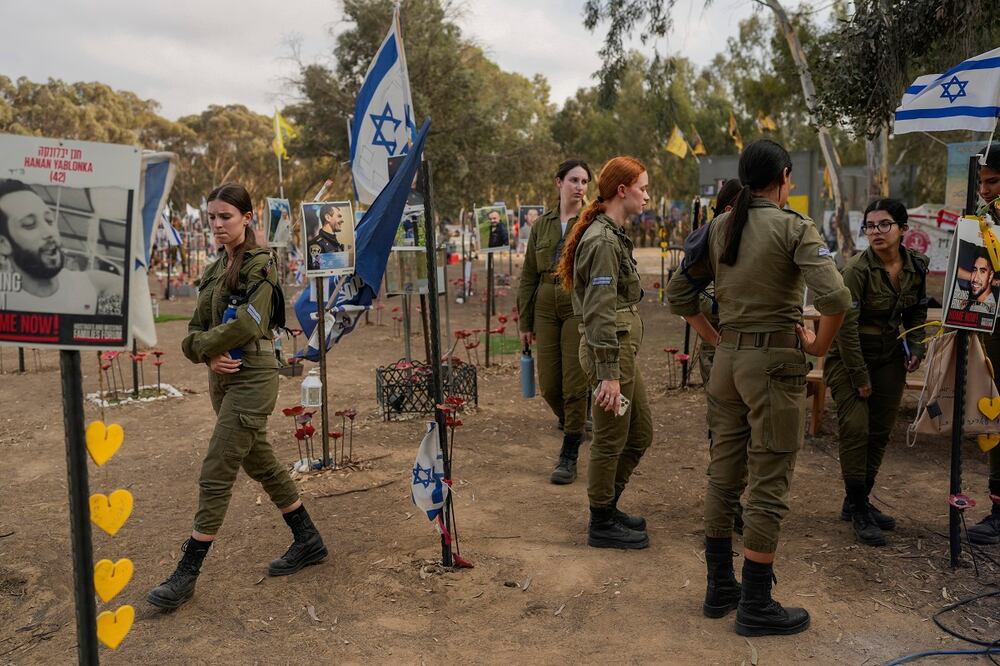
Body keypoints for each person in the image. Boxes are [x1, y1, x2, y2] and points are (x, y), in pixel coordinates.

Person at [667, 139, 850, 636]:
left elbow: (677, 292)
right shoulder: (795, 228)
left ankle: (719, 587)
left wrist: (716, 335)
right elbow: (836, 296)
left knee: (723, 475)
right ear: (785, 176)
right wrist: (815, 346)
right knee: (769, 482)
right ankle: (755, 604)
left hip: (726, 364)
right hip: (773, 367)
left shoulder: (721, 225)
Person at [148, 183, 327, 610]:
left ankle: (187, 572)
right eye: (211, 217)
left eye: (225, 216)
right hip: (221, 378)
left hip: (253, 374)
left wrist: (206, 345)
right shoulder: (213, 270)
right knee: (258, 459)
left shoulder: (261, 265)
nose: (216, 224)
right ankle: (308, 539)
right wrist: (206, 353)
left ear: (248, 217)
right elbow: (191, 332)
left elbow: (249, 324)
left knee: (217, 468)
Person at [554, 155, 652, 550]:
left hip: (620, 353)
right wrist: (608, 373)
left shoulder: (611, 233)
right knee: (612, 439)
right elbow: (597, 312)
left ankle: (608, 505)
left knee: (640, 432)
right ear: (622, 191)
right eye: (643, 188)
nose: (647, 196)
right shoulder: (602, 241)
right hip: (609, 356)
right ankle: (600, 521)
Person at [824, 199, 928, 547]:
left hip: (889, 357)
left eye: (884, 225)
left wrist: (916, 349)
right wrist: (859, 378)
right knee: (856, 427)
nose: (876, 232)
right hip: (850, 357)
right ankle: (858, 509)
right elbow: (845, 328)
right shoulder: (856, 270)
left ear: (902, 228)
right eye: (870, 226)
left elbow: (915, 314)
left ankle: (857, 501)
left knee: (880, 431)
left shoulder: (915, 267)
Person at [518, 160, 593, 484]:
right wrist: (525, 321)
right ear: (558, 182)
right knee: (549, 384)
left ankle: (569, 451)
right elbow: (528, 275)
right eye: (574, 180)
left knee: (575, 382)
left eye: (585, 181)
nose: (580, 186)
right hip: (546, 302)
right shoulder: (542, 224)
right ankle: (574, 418)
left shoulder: (592, 221)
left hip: (577, 300)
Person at [0, 179, 105, 314]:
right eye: (29, 224)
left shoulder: (92, 286)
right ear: (3, 244)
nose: (49, 232)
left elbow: (119, 295)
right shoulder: (6, 303)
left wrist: (103, 313)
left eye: (49, 220)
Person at [972, 144, 1000, 545]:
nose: (985, 190)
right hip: (992, 329)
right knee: (994, 408)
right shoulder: (981, 220)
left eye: (992, 181)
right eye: (982, 182)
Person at [696, 178, 744, 385]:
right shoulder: (709, 239)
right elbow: (696, 295)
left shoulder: (738, 237)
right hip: (715, 341)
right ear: (728, 209)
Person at [307, 203, 346, 270]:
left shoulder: (335, 242)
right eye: (339, 216)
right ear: (328, 217)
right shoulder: (315, 244)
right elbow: (317, 271)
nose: (342, 220)